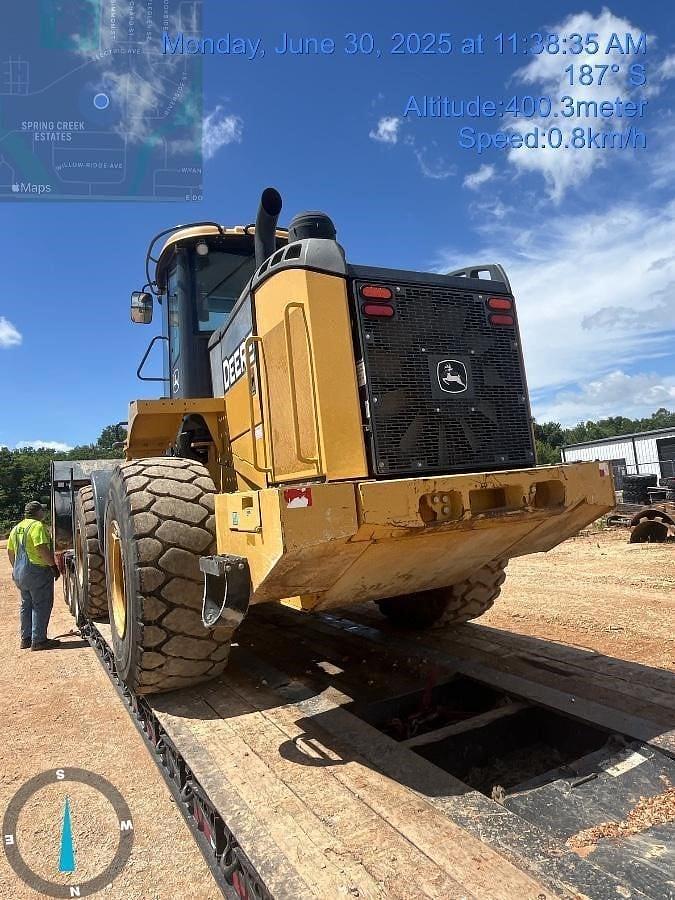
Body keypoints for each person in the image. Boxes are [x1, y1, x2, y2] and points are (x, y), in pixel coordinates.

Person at [7, 501, 61, 650]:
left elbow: (10, 552)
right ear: (37, 512)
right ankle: (39, 640)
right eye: (42, 510)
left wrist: (17, 569)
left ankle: (26, 639)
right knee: (41, 605)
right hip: (37, 572)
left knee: (26, 605)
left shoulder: (16, 528)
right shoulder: (37, 526)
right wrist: (53, 566)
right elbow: (41, 547)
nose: (44, 513)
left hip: (20, 573)